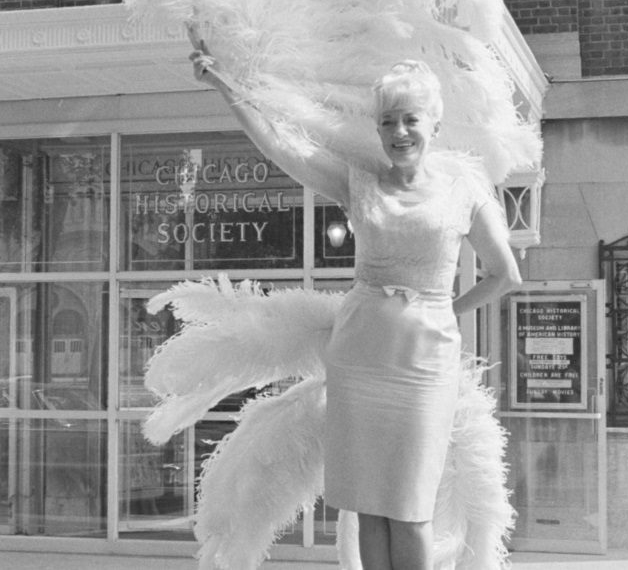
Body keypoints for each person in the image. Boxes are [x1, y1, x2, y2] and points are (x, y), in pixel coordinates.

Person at [191, 47, 522, 570]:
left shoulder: (464, 190)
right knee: (370, 508)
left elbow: (506, 275)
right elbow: (282, 148)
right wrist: (227, 89)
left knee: (411, 509)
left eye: (410, 119)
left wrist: (442, 310)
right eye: (387, 121)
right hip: (360, 358)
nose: (399, 132)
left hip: (424, 365)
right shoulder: (360, 181)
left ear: (433, 123)